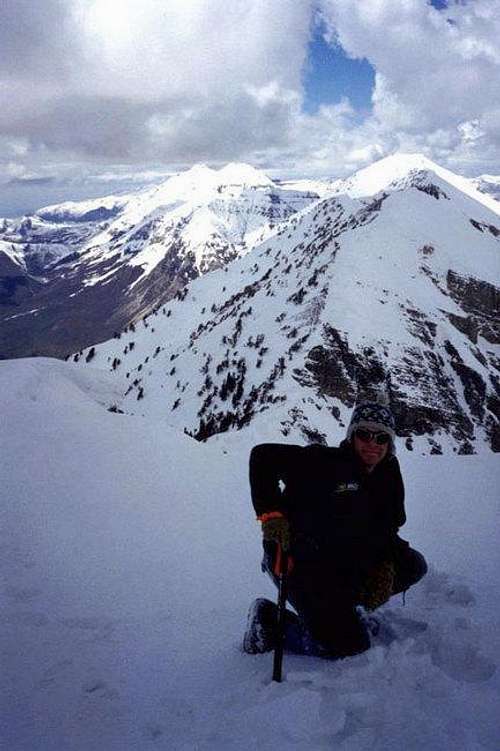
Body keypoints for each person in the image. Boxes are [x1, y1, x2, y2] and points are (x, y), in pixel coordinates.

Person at [243, 397, 427, 658]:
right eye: (364, 434)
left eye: (381, 438)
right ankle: (270, 622)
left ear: (390, 443)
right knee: (349, 645)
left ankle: (345, 608)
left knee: (413, 565)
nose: (372, 445)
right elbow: (262, 457)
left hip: (344, 556)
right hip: (297, 559)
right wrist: (272, 516)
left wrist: (384, 564)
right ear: (352, 436)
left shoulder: (388, 472)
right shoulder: (322, 462)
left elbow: (388, 525)